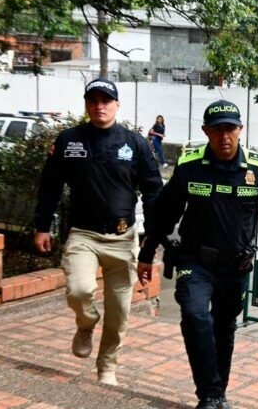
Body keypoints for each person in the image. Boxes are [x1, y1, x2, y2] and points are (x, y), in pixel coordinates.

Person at [137, 99, 258, 409]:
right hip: (195, 261)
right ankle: (209, 394)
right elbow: (164, 214)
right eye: (217, 130)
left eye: (230, 129)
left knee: (224, 328)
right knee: (194, 316)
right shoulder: (189, 166)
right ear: (206, 131)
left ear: (240, 130)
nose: (224, 137)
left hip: (235, 267)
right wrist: (147, 254)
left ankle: (218, 394)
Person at [33, 78, 163, 386]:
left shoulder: (136, 144)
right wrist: (41, 226)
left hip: (123, 239)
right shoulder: (69, 141)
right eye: (93, 100)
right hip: (83, 235)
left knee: (119, 313)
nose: (99, 106)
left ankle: (107, 368)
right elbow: (50, 186)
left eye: (106, 101)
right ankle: (87, 321)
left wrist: (152, 238)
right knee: (79, 290)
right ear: (86, 104)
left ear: (117, 105)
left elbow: (153, 192)